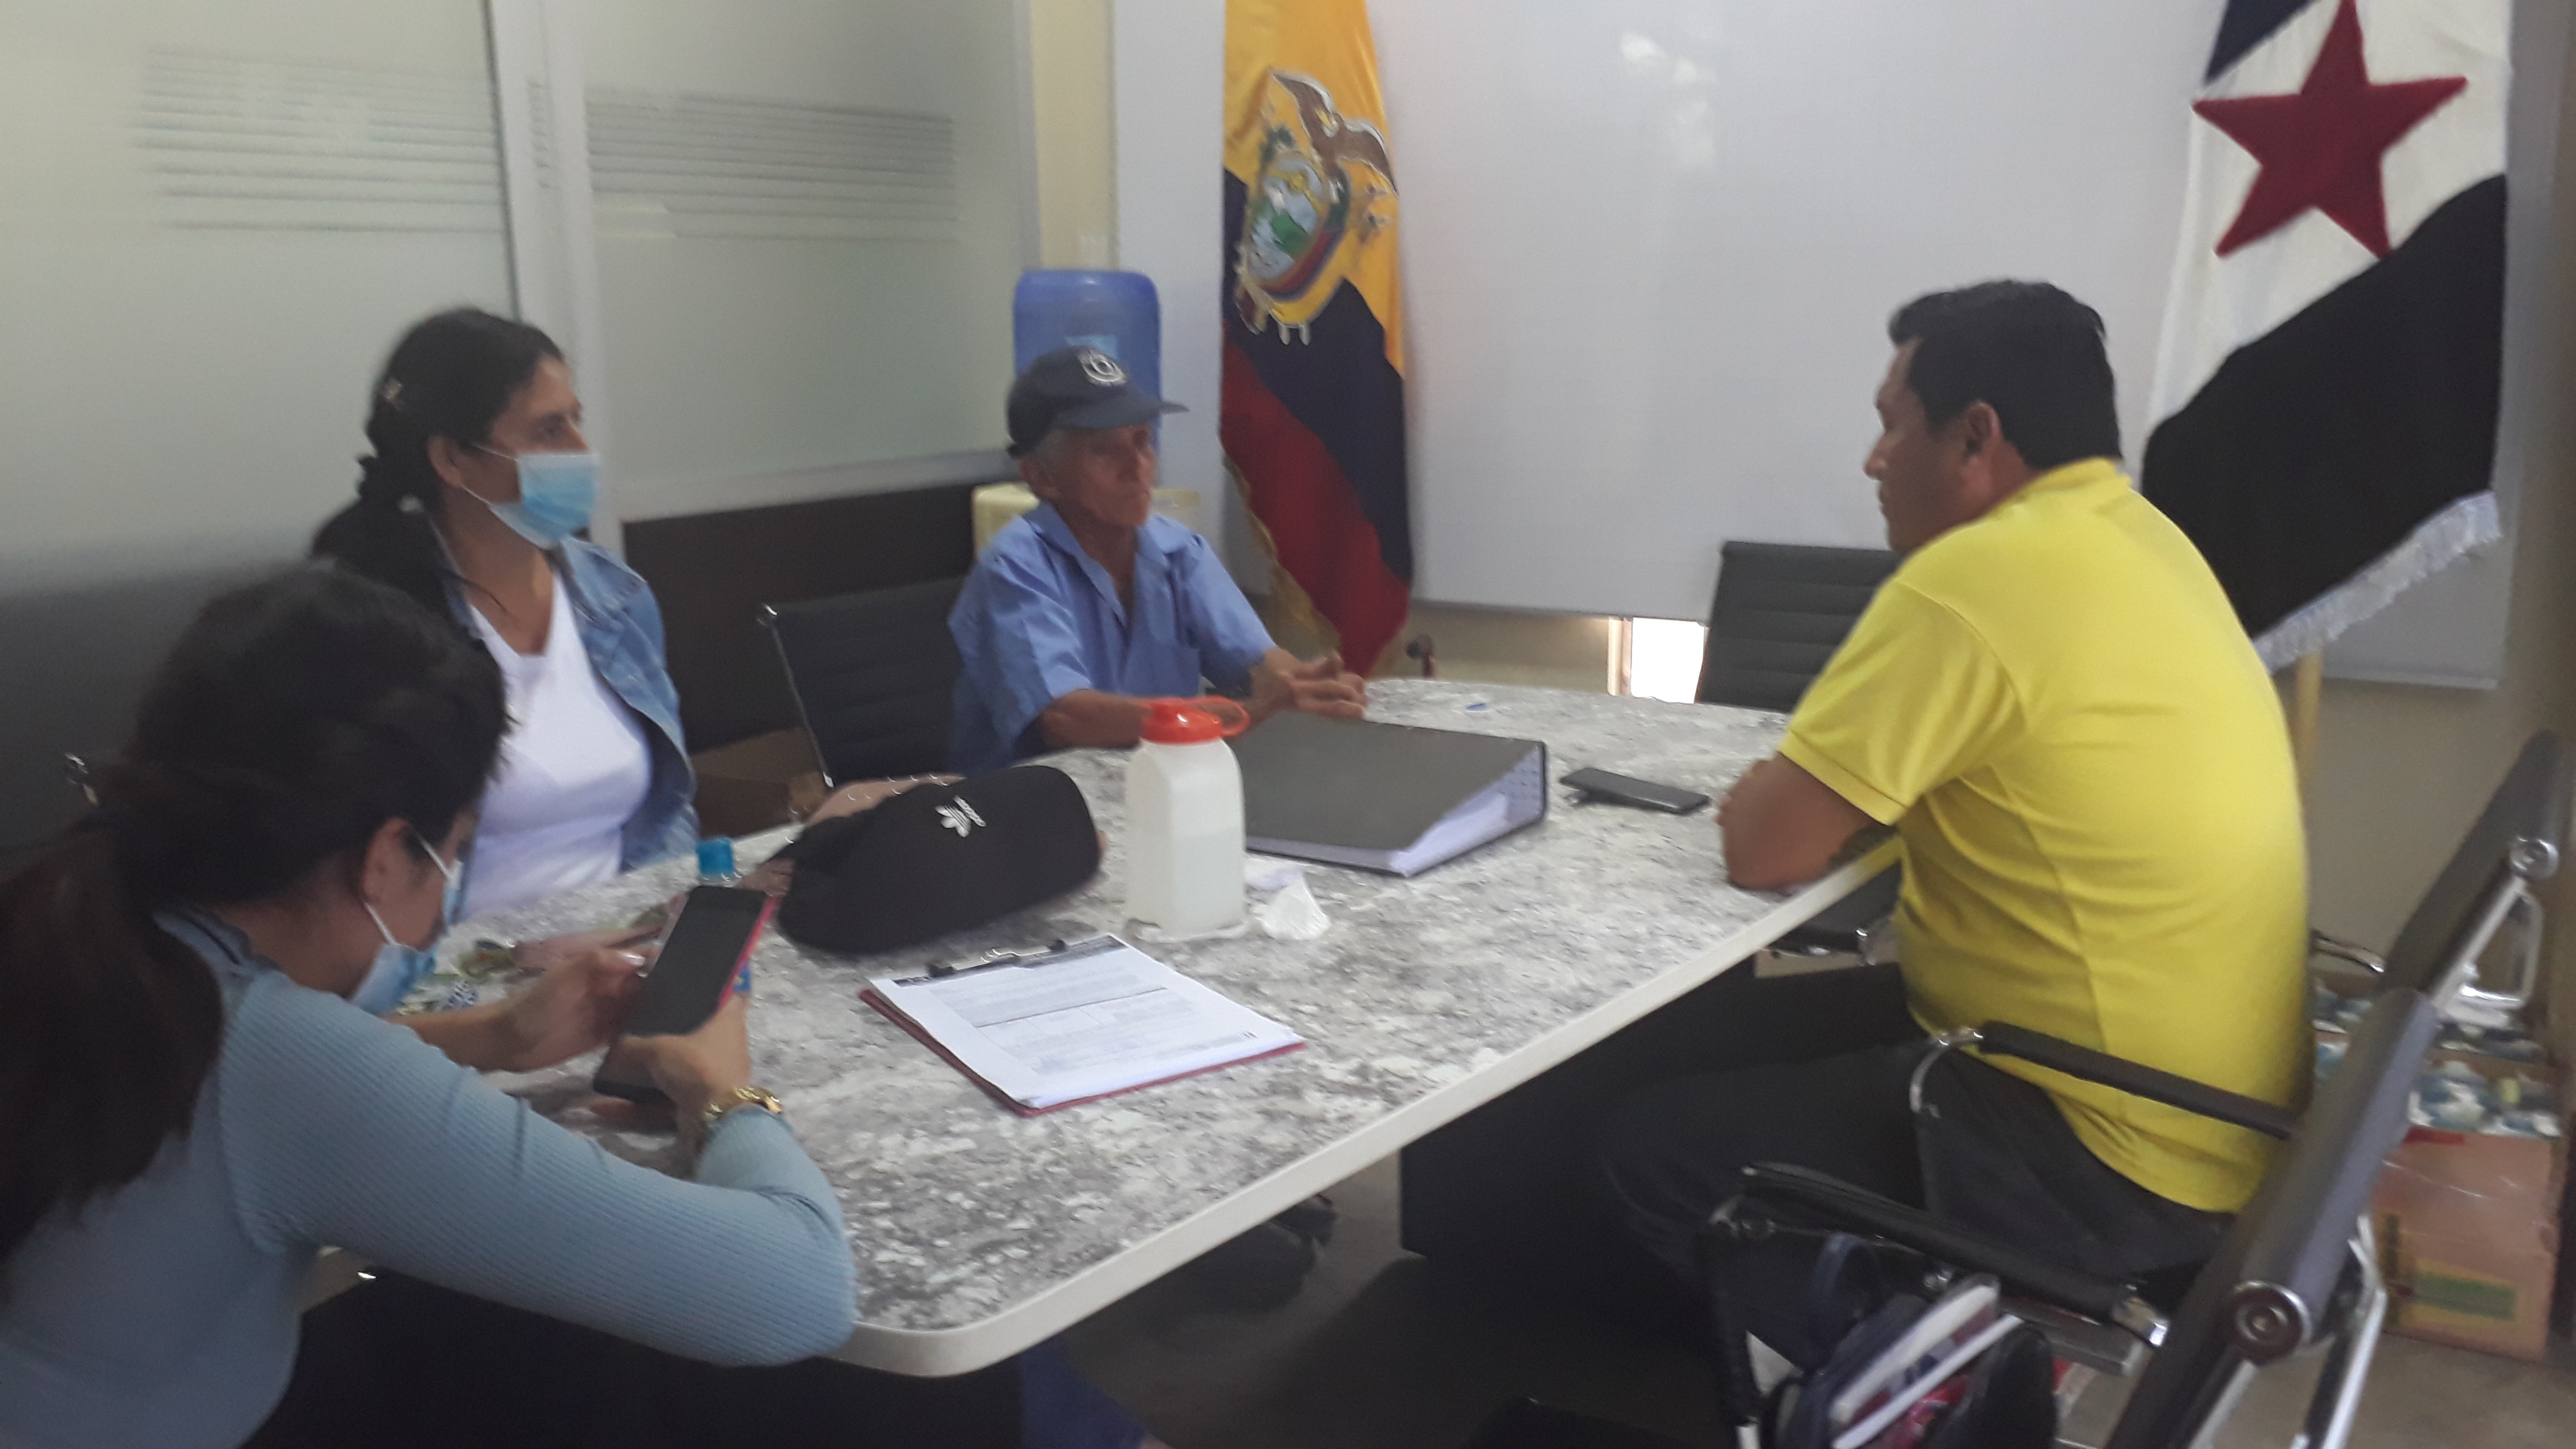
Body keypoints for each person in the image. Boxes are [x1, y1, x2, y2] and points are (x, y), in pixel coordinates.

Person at [1598, 282, 2310, 1351]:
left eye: (1893, 425)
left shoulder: (1979, 575)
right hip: (2214, 1122)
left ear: (1975, 437)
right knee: (1678, 1040)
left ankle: (1898, 1395)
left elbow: (1764, 847)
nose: (1874, 460)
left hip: (2099, 1146)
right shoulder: (2145, 539)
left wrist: (1782, 795)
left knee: (1651, 1148)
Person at [0, 568, 856, 1448]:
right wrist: (724, 1097)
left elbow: (220, 1091)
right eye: (455, 851)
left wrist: (484, 1038)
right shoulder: (289, 1062)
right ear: (383, 858)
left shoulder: (83, 931)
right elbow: (796, 1294)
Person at [312, 309, 693, 934]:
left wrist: (660, 925)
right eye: (548, 430)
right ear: (453, 459)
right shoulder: (371, 628)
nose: (581, 452)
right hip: (456, 969)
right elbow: (352, 874)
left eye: (576, 421)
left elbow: (667, 807)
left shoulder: (615, 596)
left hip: (622, 941)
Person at [949, 345, 1368, 773]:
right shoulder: (1015, 565)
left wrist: (1302, 688)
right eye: (1105, 450)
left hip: (1156, 783)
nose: (1138, 467)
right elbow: (1066, 718)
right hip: (1034, 800)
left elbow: (1255, 662)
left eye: (1142, 441)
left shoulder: (1178, 550)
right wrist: (1243, 714)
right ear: (1041, 477)